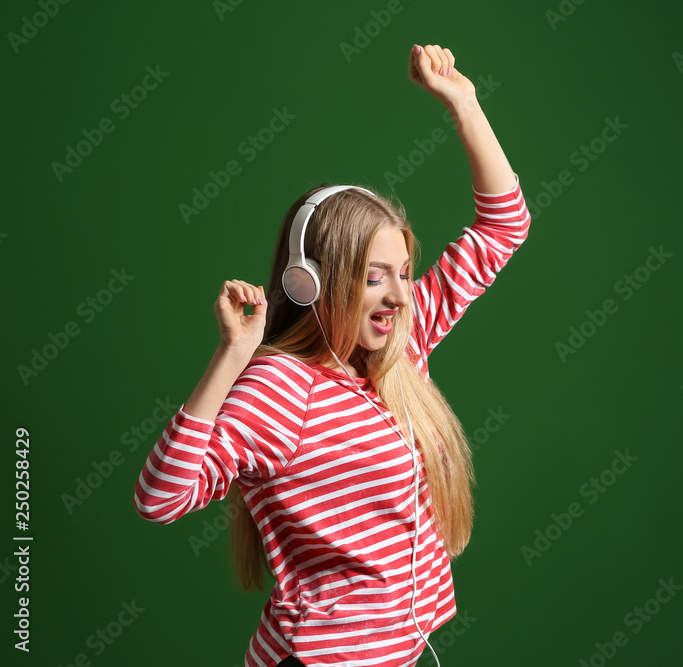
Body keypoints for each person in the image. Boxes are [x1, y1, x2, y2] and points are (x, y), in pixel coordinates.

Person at [132, 43, 531, 667]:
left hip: (393, 650)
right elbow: (160, 499)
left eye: (405, 272)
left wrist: (465, 103)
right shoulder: (281, 389)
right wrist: (234, 356)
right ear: (312, 283)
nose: (401, 295)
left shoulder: (400, 347)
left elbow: (503, 226)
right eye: (376, 277)